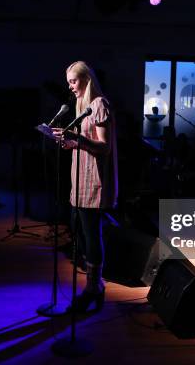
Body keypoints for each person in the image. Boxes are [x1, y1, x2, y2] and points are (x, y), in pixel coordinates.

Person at [53, 61, 118, 313]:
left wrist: (77, 138)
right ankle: (93, 284)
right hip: (80, 177)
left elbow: (104, 147)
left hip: (94, 180)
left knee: (92, 235)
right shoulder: (82, 105)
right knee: (80, 233)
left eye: (73, 81)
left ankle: (95, 287)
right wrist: (71, 144)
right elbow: (85, 145)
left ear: (87, 79)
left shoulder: (99, 104)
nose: (70, 87)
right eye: (68, 82)